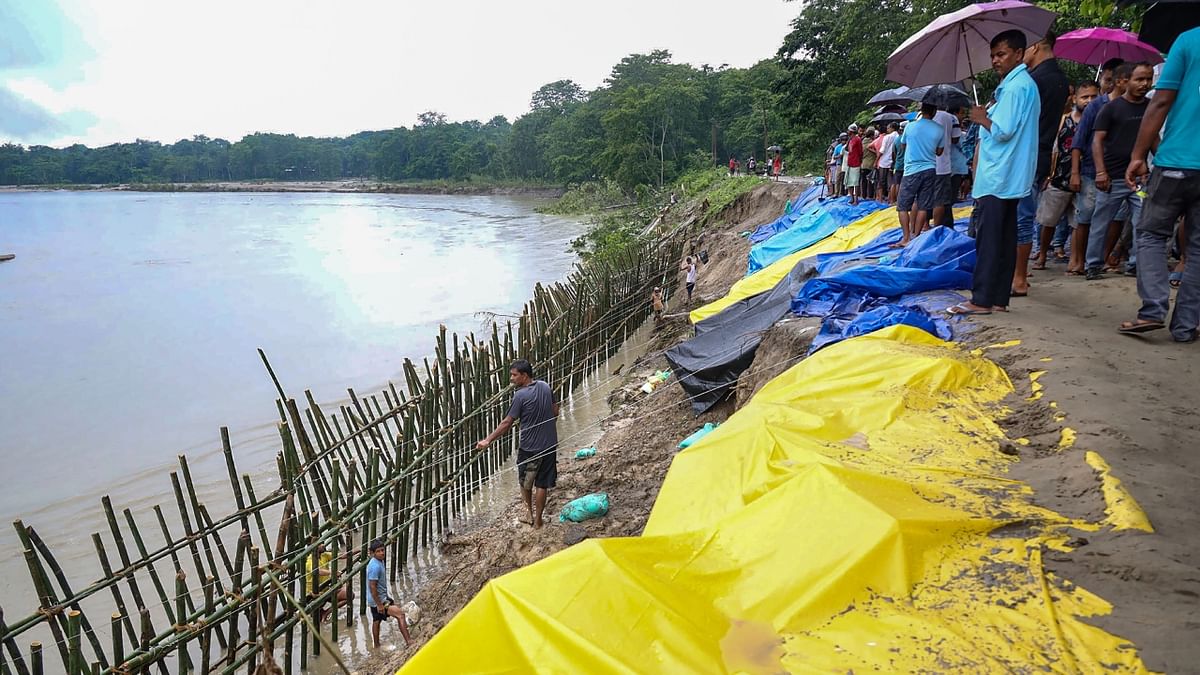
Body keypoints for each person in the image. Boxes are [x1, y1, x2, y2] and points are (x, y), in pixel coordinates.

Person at [948, 29, 1041, 315]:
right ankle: (999, 297)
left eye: (1001, 54)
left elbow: (1002, 131)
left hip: (999, 175)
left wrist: (981, 118)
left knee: (989, 239)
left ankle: (982, 298)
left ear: (1018, 54)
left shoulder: (1015, 88)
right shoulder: (1019, 86)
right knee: (1003, 237)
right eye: (993, 56)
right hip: (1010, 174)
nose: (996, 61)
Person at [1122, 27, 1200, 340]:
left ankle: (1152, 310)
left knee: (1151, 233)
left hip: (1176, 161)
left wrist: (1138, 155)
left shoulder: (1189, 40)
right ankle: (1184, 326)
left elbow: (1161, 101)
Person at [1012, 31, 1071, 297]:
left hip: (1027, 155)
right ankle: (1017, 274)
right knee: (1021, 215)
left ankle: (1018, 277)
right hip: (1039, 153)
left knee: (1020, 217)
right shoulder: (1055, 79)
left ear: (1034, 46)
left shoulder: (1035, 81)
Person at [1086, 62, 1154, 280]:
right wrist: (1100, 172)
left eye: (1148, 79)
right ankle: (1093, 265)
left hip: (1139, 179)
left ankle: (1136, 264)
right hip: (1112, 178)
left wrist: (1159, 166)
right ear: (1126, 81)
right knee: (1100, 223)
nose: (1144, 84)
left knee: (1141, 221)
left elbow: (1154, 139)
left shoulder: (1151, 107)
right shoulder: (1111, 108)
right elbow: (1097, 141)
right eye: (1139, 79)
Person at [476, 359, 559, 528]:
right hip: (550, 444)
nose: (511, 379)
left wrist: (488, 440)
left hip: (529, 448)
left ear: (524, 375)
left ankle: (529, 513)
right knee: (542, 484)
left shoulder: (520, 396)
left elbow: (507, 423)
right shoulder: (544, 385)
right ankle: (538, 521)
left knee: (525, 482)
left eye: (514, 375)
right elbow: (555, 410)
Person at [1034, 81, 1100, 274]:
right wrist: (1048, 174)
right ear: (1075, 99)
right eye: (1084, 97)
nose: (1089, 101)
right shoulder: (1063, 121)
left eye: (1094, 97)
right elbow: (1052, 149)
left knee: (1079, 221)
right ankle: (1043, 253)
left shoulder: (1099, 122)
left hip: (1088, 178)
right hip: (1060, 178)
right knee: (1048, 220)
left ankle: (1075, 258)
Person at [1070, 58, 1126, 274]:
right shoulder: (1095, 106)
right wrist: (1075, 173)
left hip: (1121, 173)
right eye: (1108, 79)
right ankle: (1079, 261)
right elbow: (1079, 141)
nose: (1111, 84)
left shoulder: (1133, 106)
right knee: (1085, 217)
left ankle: (1101, 258)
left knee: (1116, 218)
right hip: (1092, 172)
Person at [894, 104, 945, 247]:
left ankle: (906, 237)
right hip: (930, 169)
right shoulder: (939, 129)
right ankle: (916, 235)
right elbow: (939, 152)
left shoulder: (910, 127)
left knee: (903, 206)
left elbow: (903, 145)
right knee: (923, 205)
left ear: (921, 111)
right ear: (934, 111)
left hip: (911, 170)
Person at [366, 538, 412, 648]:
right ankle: (409, 641)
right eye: (378, 551)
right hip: (378, 599)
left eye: (383, 550)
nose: (382, 553)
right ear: (373, 553)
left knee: (376, 620)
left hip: (377, 598)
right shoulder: (375, 566)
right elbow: (372, 586)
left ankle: (376, 646)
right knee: (400, 615)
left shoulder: (376, 561)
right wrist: (379, 604)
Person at [306, 542, 352, 622]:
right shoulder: (309, 562)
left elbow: (342, 555)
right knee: (317, 620)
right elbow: (317, 571)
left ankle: (327, 612)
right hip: (315, 595)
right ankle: (321, 613)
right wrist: (332, 572)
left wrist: (359, 550)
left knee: (350, 595)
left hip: (327, 590)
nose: (323, 545)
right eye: (320, 544)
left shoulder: (325, 555)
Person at [845, 124, 863, 205]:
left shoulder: (857, 139)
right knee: (849, 182)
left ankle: (856, 199)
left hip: (856, 163)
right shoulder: (850, 139)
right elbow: (847, 149)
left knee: (855, 182)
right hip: (849, 163)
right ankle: (852, 197)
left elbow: (860, 152)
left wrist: (860, 161)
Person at [861, 128, 879, 201]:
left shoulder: (862, 142)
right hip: (871, 164)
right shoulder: (873, 142)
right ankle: (870, 196)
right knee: (871, 181)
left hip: (863, 164)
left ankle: (864, 196)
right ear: (872, 135)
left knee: (864, 181)